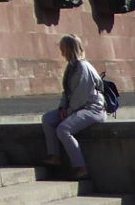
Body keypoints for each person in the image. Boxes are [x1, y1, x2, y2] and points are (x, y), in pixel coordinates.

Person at [41, 34, 107, 180]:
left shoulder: (83, 67)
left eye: (62, 48)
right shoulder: (72, 66)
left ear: (70, 48)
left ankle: (81, 167)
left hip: (93, 109)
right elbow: (67, 92)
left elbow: (81, 95)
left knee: (63, 129)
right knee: (48, 119)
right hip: (75, 108)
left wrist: (69, 111)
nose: (61, 52)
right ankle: (55, 156)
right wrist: (61, 109)